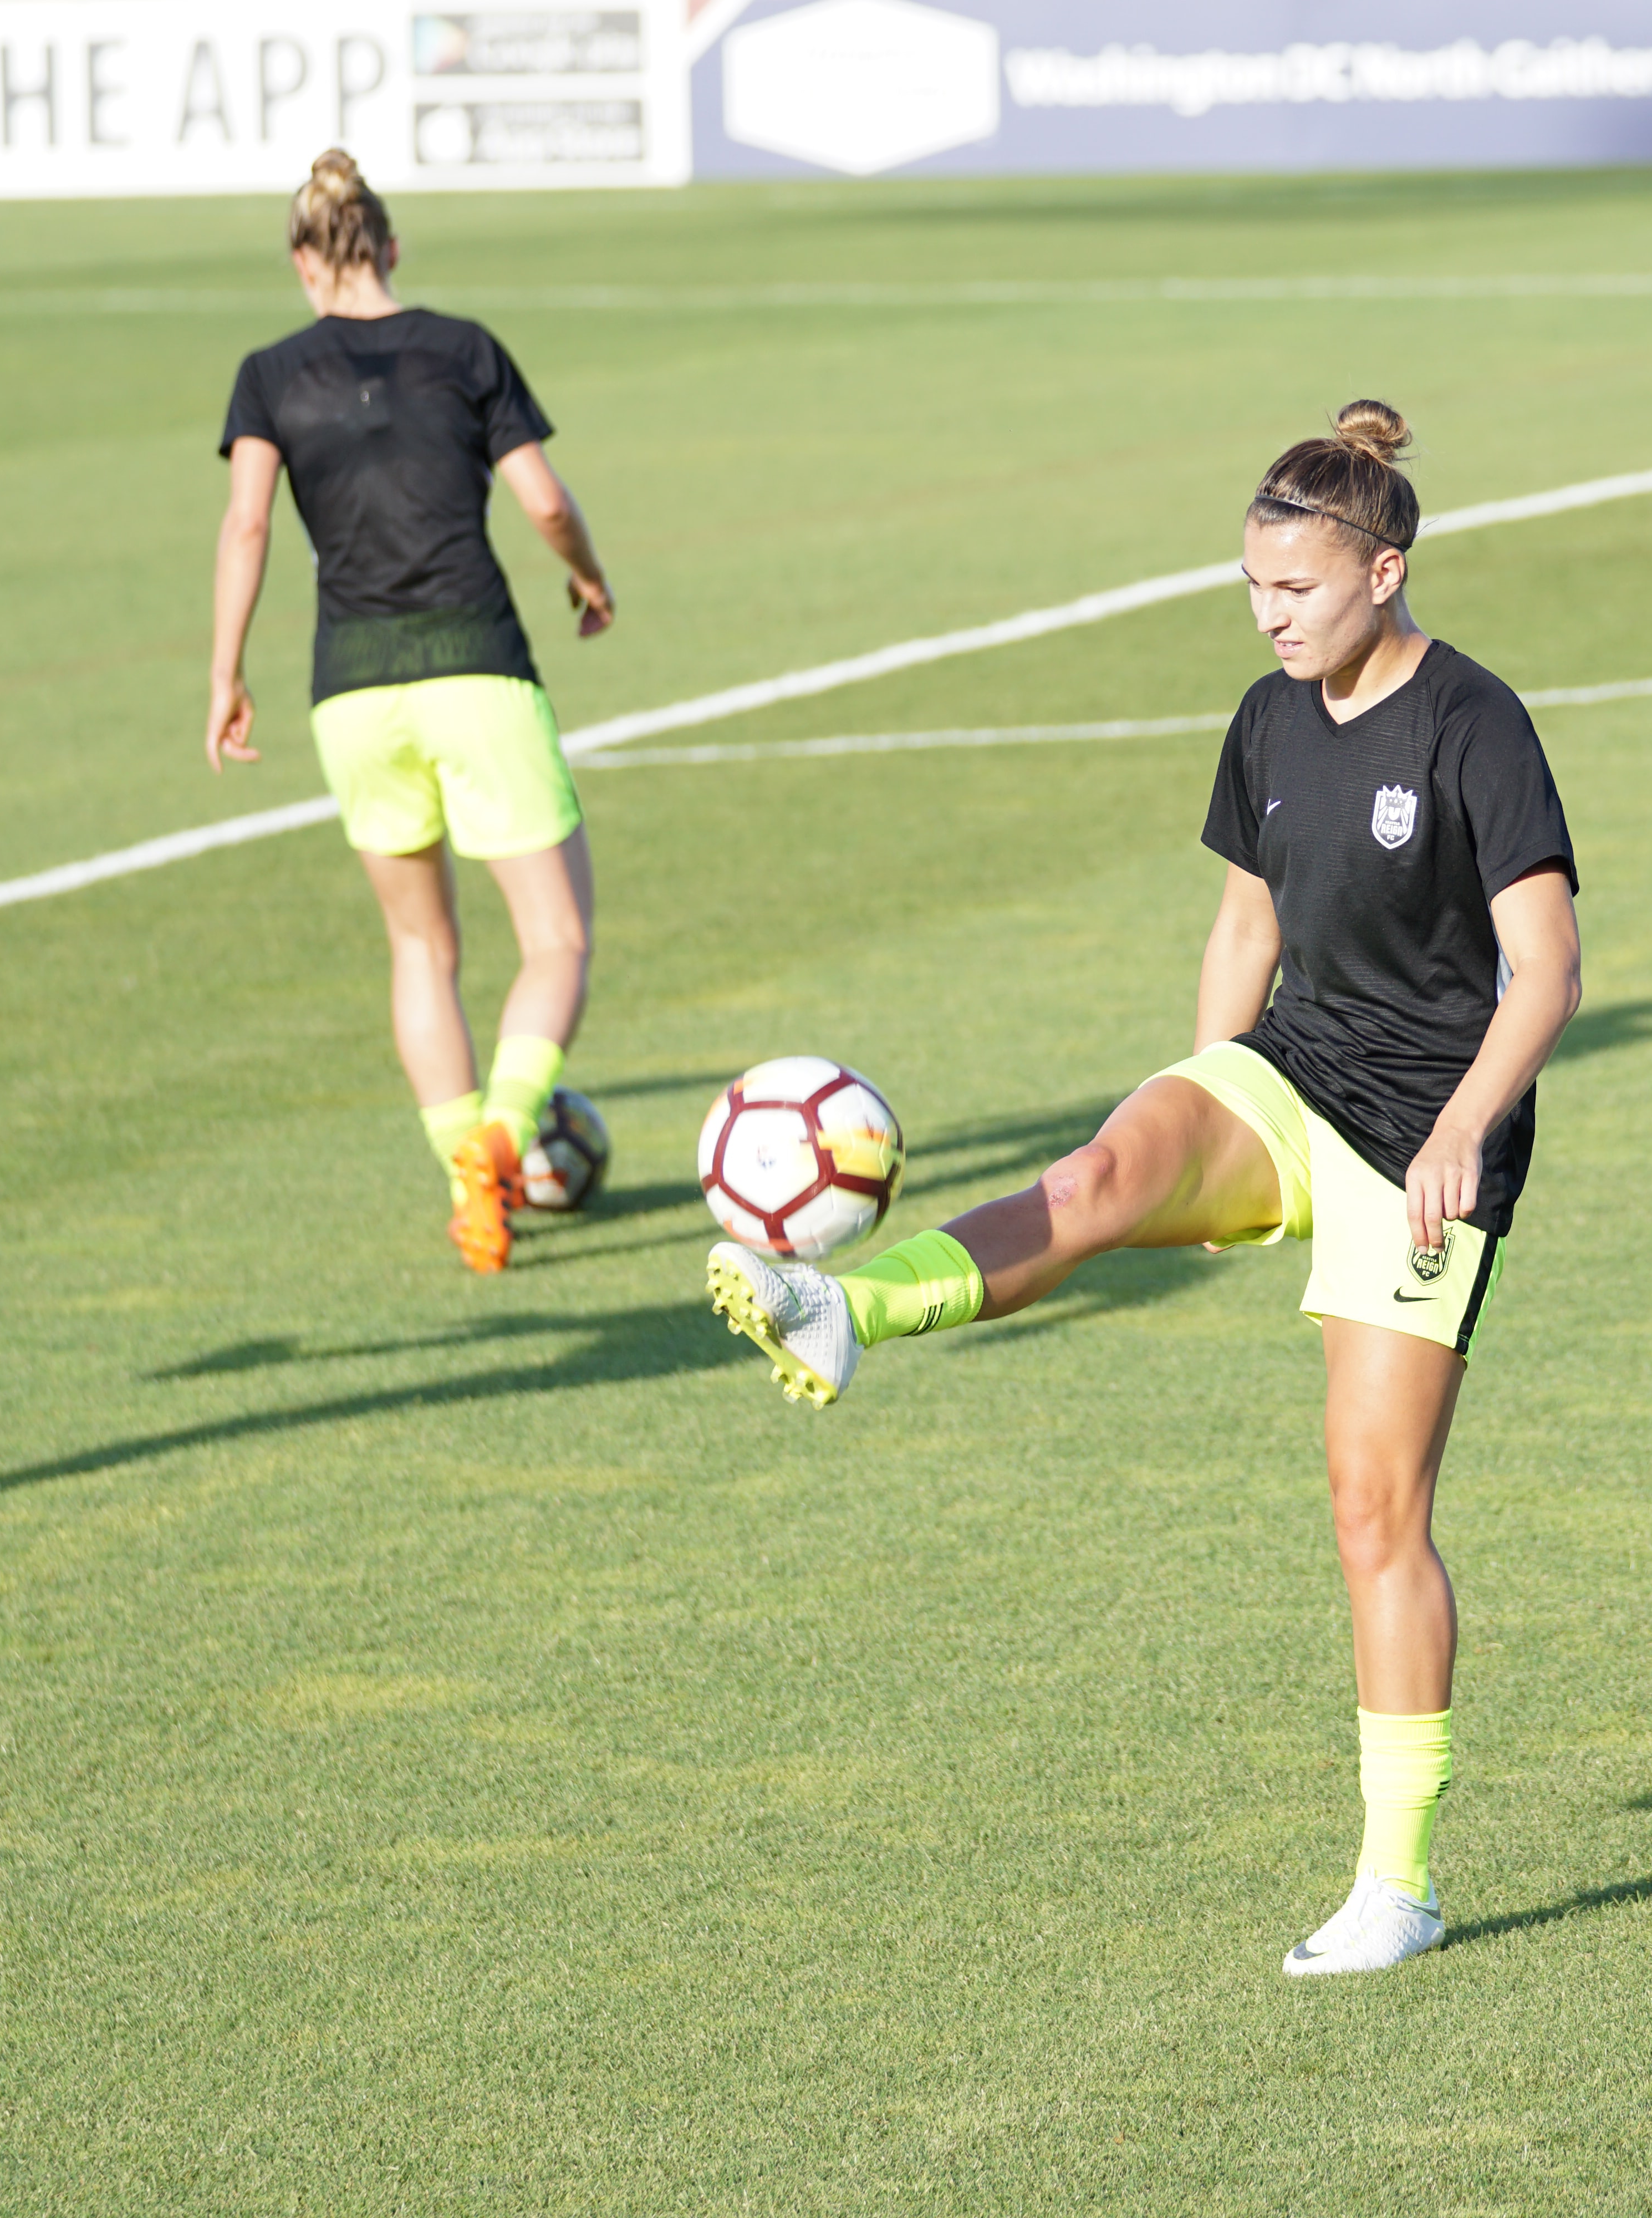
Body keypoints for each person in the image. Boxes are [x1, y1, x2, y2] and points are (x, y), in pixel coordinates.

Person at [705, 403, 1582, 1977]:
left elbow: (1550, 966)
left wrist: (1463, 1128)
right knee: (1104, 1169)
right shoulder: (1265, 717)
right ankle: (846, 1305)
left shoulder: (1475, 723)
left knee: (1374, 1513)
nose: (1271, 617)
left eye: (1297, 591)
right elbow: (1248, 928)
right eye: (1254, 591)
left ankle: (1402, 1886)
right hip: (1293, 1075)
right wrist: (1208, 1091)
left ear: (1384, 573)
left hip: (1427, 1144)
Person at [206, 149, 617, 1275]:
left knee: (419, 946)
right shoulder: (464, 347)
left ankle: (466, 1188)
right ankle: (506, 1131)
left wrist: (225, 674)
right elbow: (540, 495)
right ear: (391, 246)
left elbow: (246, 529)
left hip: (351, 689)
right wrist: (588, 576)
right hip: (476, 664)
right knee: (557, 938)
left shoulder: (268, 374)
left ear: (304, 263)